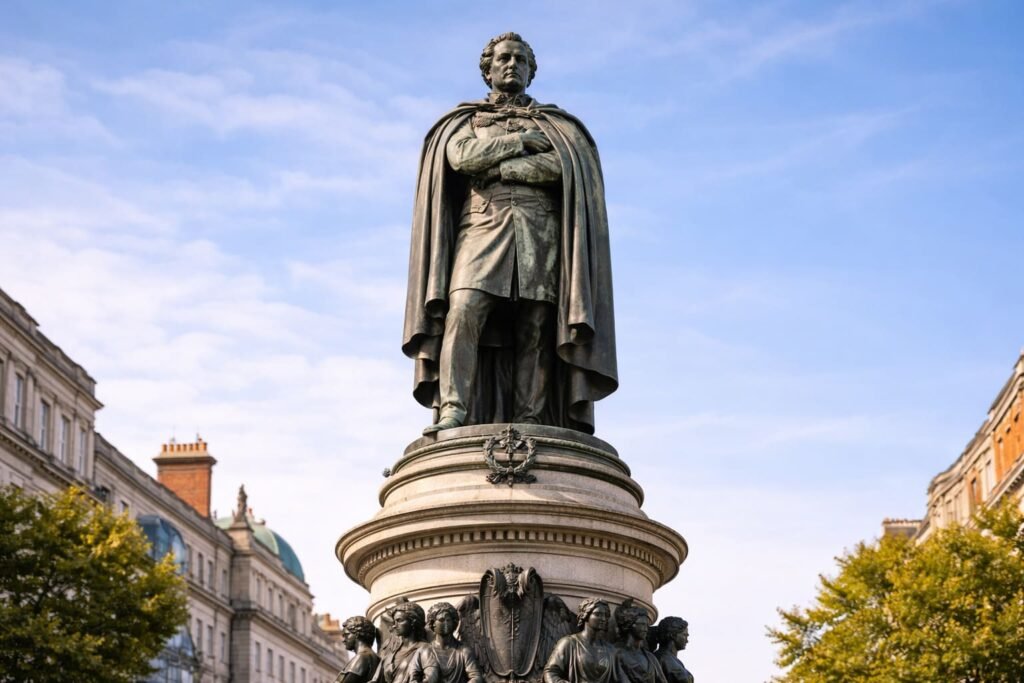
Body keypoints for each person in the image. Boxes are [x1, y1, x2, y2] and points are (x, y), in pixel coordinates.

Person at [403, 32, 618, 436]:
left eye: (521, 59)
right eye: (504, 58)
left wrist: (503, 168)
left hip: (541, 233)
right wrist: (519, 142)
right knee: (464, 311)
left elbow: (563, 169)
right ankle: (454, 408)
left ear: (531, 70)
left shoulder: (557, 125)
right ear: (488, 69)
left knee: (535, 325)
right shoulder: (465, 120)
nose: (512, 64)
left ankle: (530, 418)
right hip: (481, 229)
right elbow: (461, 157)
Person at [543, 598, 623, 683]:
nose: (603, 618)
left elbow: (622, 679)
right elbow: (550, 671)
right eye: (598, 614)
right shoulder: (569, 643)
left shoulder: (611, 651)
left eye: (606, 615)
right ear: (585, 615)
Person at [409, 602, 484, 683]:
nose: (446, 623)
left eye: (449, 620)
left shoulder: (464, 651)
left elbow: (476, 677)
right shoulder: (423, 651)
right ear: (432, 623)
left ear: (454, 622)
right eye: (441, 620)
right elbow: (413, 678)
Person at [371, 603, 430, 683]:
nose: (394, 626)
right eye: (394, 621)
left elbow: (430, 678)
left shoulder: (426, 650)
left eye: (399, 620)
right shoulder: (389, 655)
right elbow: (375, 681)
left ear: (413, 622)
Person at [612, 603, 666, 683]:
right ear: (629, 625)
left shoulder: (650, 657)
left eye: (647, 625)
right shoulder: (616, 653)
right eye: (642, 624)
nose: (645, 629)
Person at [337, 616, 381, 683]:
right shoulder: (374, 657)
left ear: (357, 634)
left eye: (346, 635)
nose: (344, 640)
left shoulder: (362, 657)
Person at [651, 617, 693, 683]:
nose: (687, 640)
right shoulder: (661, 658)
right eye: (684, 635)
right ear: (673, 635)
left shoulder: (676, 661)